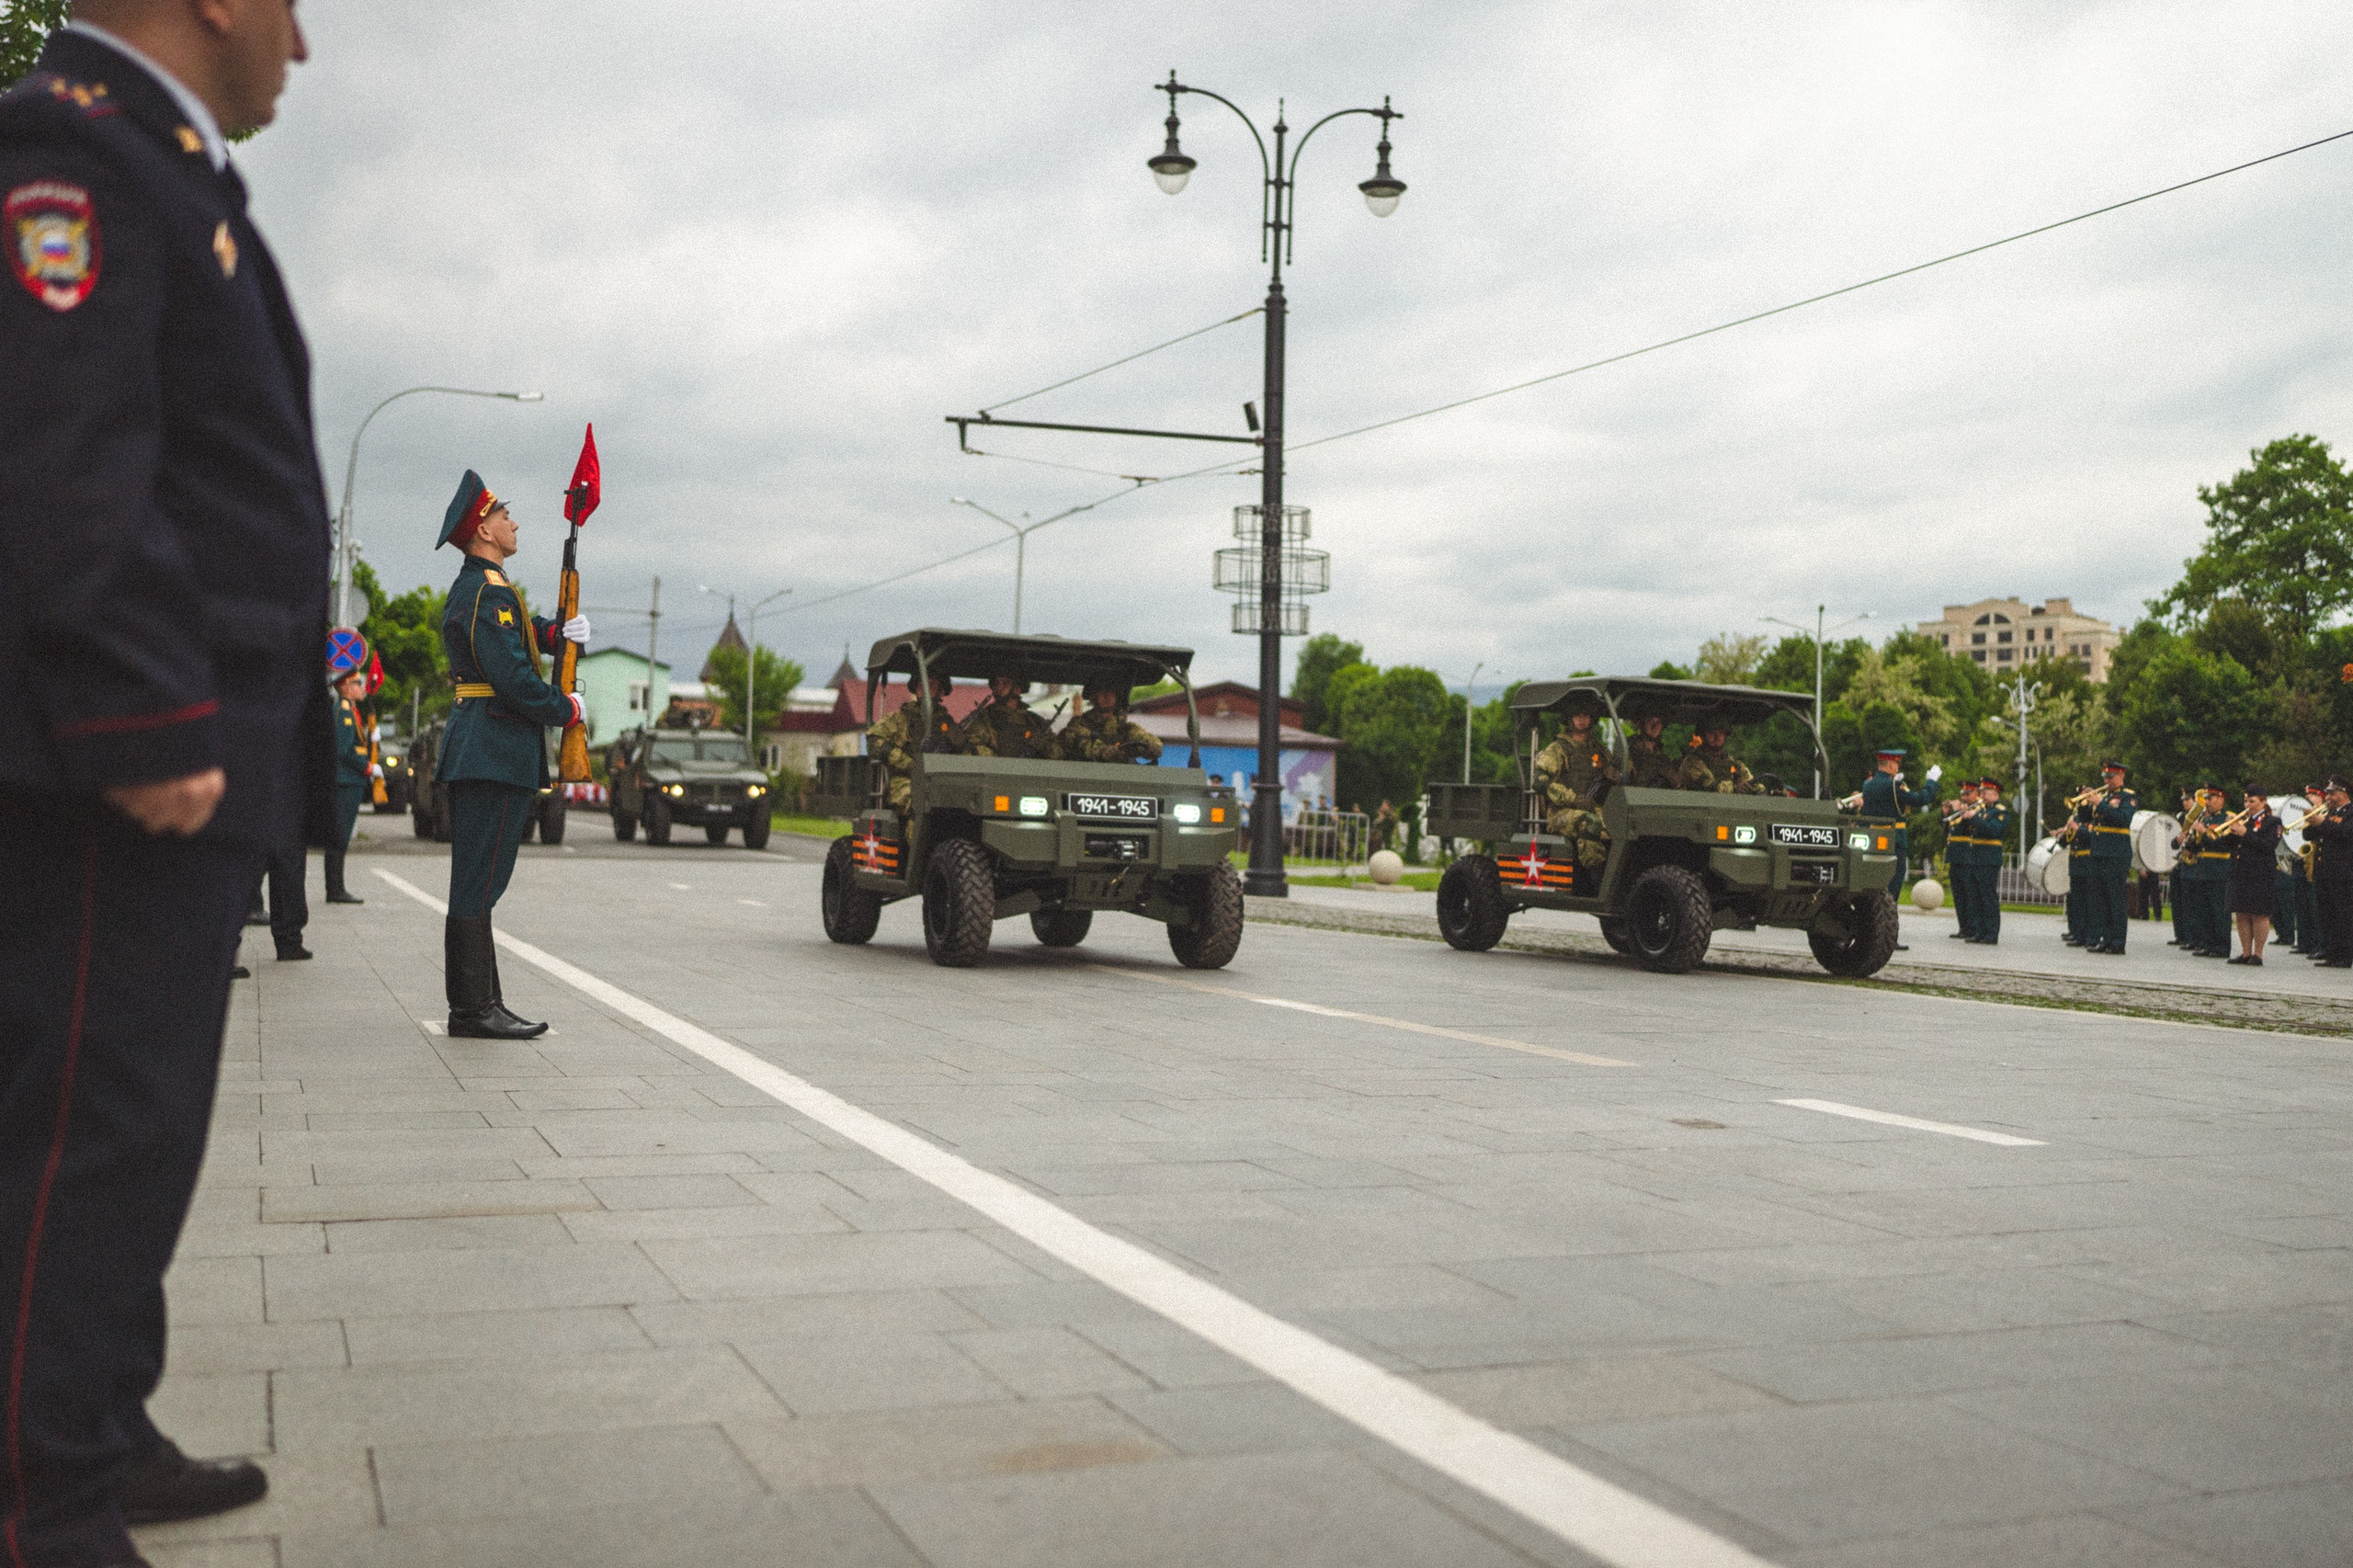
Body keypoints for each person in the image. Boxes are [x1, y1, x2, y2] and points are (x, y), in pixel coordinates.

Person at [1, 3, 320, 1559]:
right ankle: (38, 1497)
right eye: (293, 8)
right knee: (84, 1131)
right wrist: (144, 717)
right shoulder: (75, 148)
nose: (301, 50)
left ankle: (92, 1423)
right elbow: (63, 448)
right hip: (107, 779)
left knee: (139, 1131)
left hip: (169, 764)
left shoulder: (155, 159)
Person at [433, 472, 587, 1040]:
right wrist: (565, 708)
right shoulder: (486, 591)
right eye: (505, 516)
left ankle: (483, 1002)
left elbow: (512, 639)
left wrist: (556, 633)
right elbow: (513, 680)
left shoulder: (487, 588)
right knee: (477, 884)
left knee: (481, 882)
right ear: (483, 529)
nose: (514, 523)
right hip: (493, 749)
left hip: (488, 748)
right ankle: (473, 1010)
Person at [1852, 748, 1941, 919]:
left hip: (1873, 839)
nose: (1898, 768)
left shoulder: (1868, 785)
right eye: (1897, 764)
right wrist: (1931, 782)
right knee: (1892, 888)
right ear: (1891, 765)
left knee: (1875, 886)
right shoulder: (1894, 785)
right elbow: (1920, 799)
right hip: (1894, 840)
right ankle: (1887, 931)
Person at [866, 670, 965, 812]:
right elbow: (874, 742)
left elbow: (964, 752)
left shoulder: (948, 725)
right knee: (920, 801)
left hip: (939, 782)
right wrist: (910, 764)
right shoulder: (900, 719)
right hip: (904, 781)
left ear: (942, 691)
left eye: (930, 685)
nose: (924, 689)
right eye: (920, 685)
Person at [1532, 706, 1618, 869]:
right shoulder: (1558, 749)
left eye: (1585, 714)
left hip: (1594, 808)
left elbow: (1608, 772)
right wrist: (1573, 799)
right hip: (1561, 813)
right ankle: (1595, 876)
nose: (1581, 719)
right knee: (1589, 823)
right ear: (1569, 718)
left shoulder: (1596, 752)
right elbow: (1540, 781)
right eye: (1576, 714)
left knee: (1621, 825)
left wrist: (1612, 775)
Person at [324, 665, 373, 904]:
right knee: (340, 835)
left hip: (348, 779)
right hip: (345, 780)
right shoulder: (343, 711)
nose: (362, 689)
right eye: (357, 684)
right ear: (345, 687)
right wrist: (365, 766)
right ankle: (335, 889)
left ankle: (336, 887)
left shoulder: (351, 710)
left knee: (340, 835)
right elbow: (343, 749)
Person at [2079, 761, 2139, 955]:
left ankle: (2118, 942)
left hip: (2115, 854)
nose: (2107, 781)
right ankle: (2105, 938)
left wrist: (2100, 803)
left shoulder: (2128, 797)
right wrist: (2084, 801)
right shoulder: (2105, 797)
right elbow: (2086, 818)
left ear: (2121, 776)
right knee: (2100, 899)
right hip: (2099, 852)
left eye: (2110, 777)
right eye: (2105, 777)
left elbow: (2122, 818)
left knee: (2115, 899)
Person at [2222, 787, 2282, 965]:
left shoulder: (2272, 822)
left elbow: (2268, 845)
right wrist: (2229, 829)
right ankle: (2245, 952)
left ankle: (2258, 954)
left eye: (2252, 801)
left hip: (2260, 874)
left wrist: (2244, 833)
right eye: (2246, 801)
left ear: (2263, 802)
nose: (2248, 805)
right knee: (2241, 913)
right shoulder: (2245, 820)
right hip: (2240, 872)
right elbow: (2228, 844)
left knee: (2259, 914)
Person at [2172, 787, 2231, 960]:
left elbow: (2224, 843)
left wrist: (2204, 833)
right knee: (2204, 910)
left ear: (2221, 799)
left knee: (2218, 911)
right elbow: (2199, 846)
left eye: (2210, 799)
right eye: (2206, 799)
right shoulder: (2205, 819)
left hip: (2219, 868)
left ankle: (2221, 946)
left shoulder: (2227, 818)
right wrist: (2187, 842)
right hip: (2202, 869)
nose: (2207, 803)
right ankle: (2207, 943)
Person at [2302, 777, 2353, 968]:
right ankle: (2332, 954)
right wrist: (2310, 821)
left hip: (2342, 872)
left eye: (2332, 793)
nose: (2328, 796)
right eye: (2328, 793)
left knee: (2343, 915)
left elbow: (2346, 833)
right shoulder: (2328, 811)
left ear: (2344, 793)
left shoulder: (2350, 812)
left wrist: (2322, 823)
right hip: (2324, 871)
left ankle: (2344, 956)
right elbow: (2308, 835)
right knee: (2326, 914)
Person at [1956, 778, 2010, 945]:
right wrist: (1964, 816)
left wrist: (1974, 818)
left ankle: (1991, 933)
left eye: (1986, 793)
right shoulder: (1981, 810)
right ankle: (1979, 931)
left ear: (1995, 794)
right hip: (1974, 858)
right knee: (1975, 896)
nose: (1982, 796)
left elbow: (1993, 831)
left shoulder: (2000, 812)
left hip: (1988, 859)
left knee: (1987, 897)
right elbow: (1967, 831)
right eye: (1982, 793)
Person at [1058, 679, 1162, 763]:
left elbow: (1145, 739)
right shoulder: (1079, 725)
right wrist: (1104, 751)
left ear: (1117, 696)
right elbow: (1084, 742)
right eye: (1098, 694)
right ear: (1092, 698)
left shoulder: (1126, 728)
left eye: (1107, 693)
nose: (1102, 699)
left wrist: (1150, 747)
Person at [961, 674, 1053, 759]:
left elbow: (1059, 754)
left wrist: (1045, 746)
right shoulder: (984, 718)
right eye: (996, 682)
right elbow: (968, 749)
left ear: (1018, 688)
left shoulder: (1036, 722)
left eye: (1006, 682)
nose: (999, 686)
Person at [1675, 716, 1763, 794]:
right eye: (1711, 733)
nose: (1717, 737)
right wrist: (1735, 788)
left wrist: (1757, 788)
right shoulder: (1692, 763)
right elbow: (1709, 786)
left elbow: (1750, 782)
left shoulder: (1735, 765)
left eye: (1721, 733)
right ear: (1702, 736)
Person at [1940, 780, 1981, 941]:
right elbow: (1947, 830)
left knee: (1968, 893)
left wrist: (1958, 810)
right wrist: (1946, 813)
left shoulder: (1977, 808)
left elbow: (1968, 828)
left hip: (1967, 855)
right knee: (1958, 894)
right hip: (1955, 855)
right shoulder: (1963, 810)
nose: (1964, 796)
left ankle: (1972, 927)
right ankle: (1963, 926)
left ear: (1976, 792)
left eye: (1968, 793)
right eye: (1962, 794)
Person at [1623, 712, 1677, 788]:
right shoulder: (1627, 753)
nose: (1655, 726)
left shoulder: (1664, 760)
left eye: (1659, 722)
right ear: (1640, 724)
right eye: (1650, 721)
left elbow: (1678, 786)